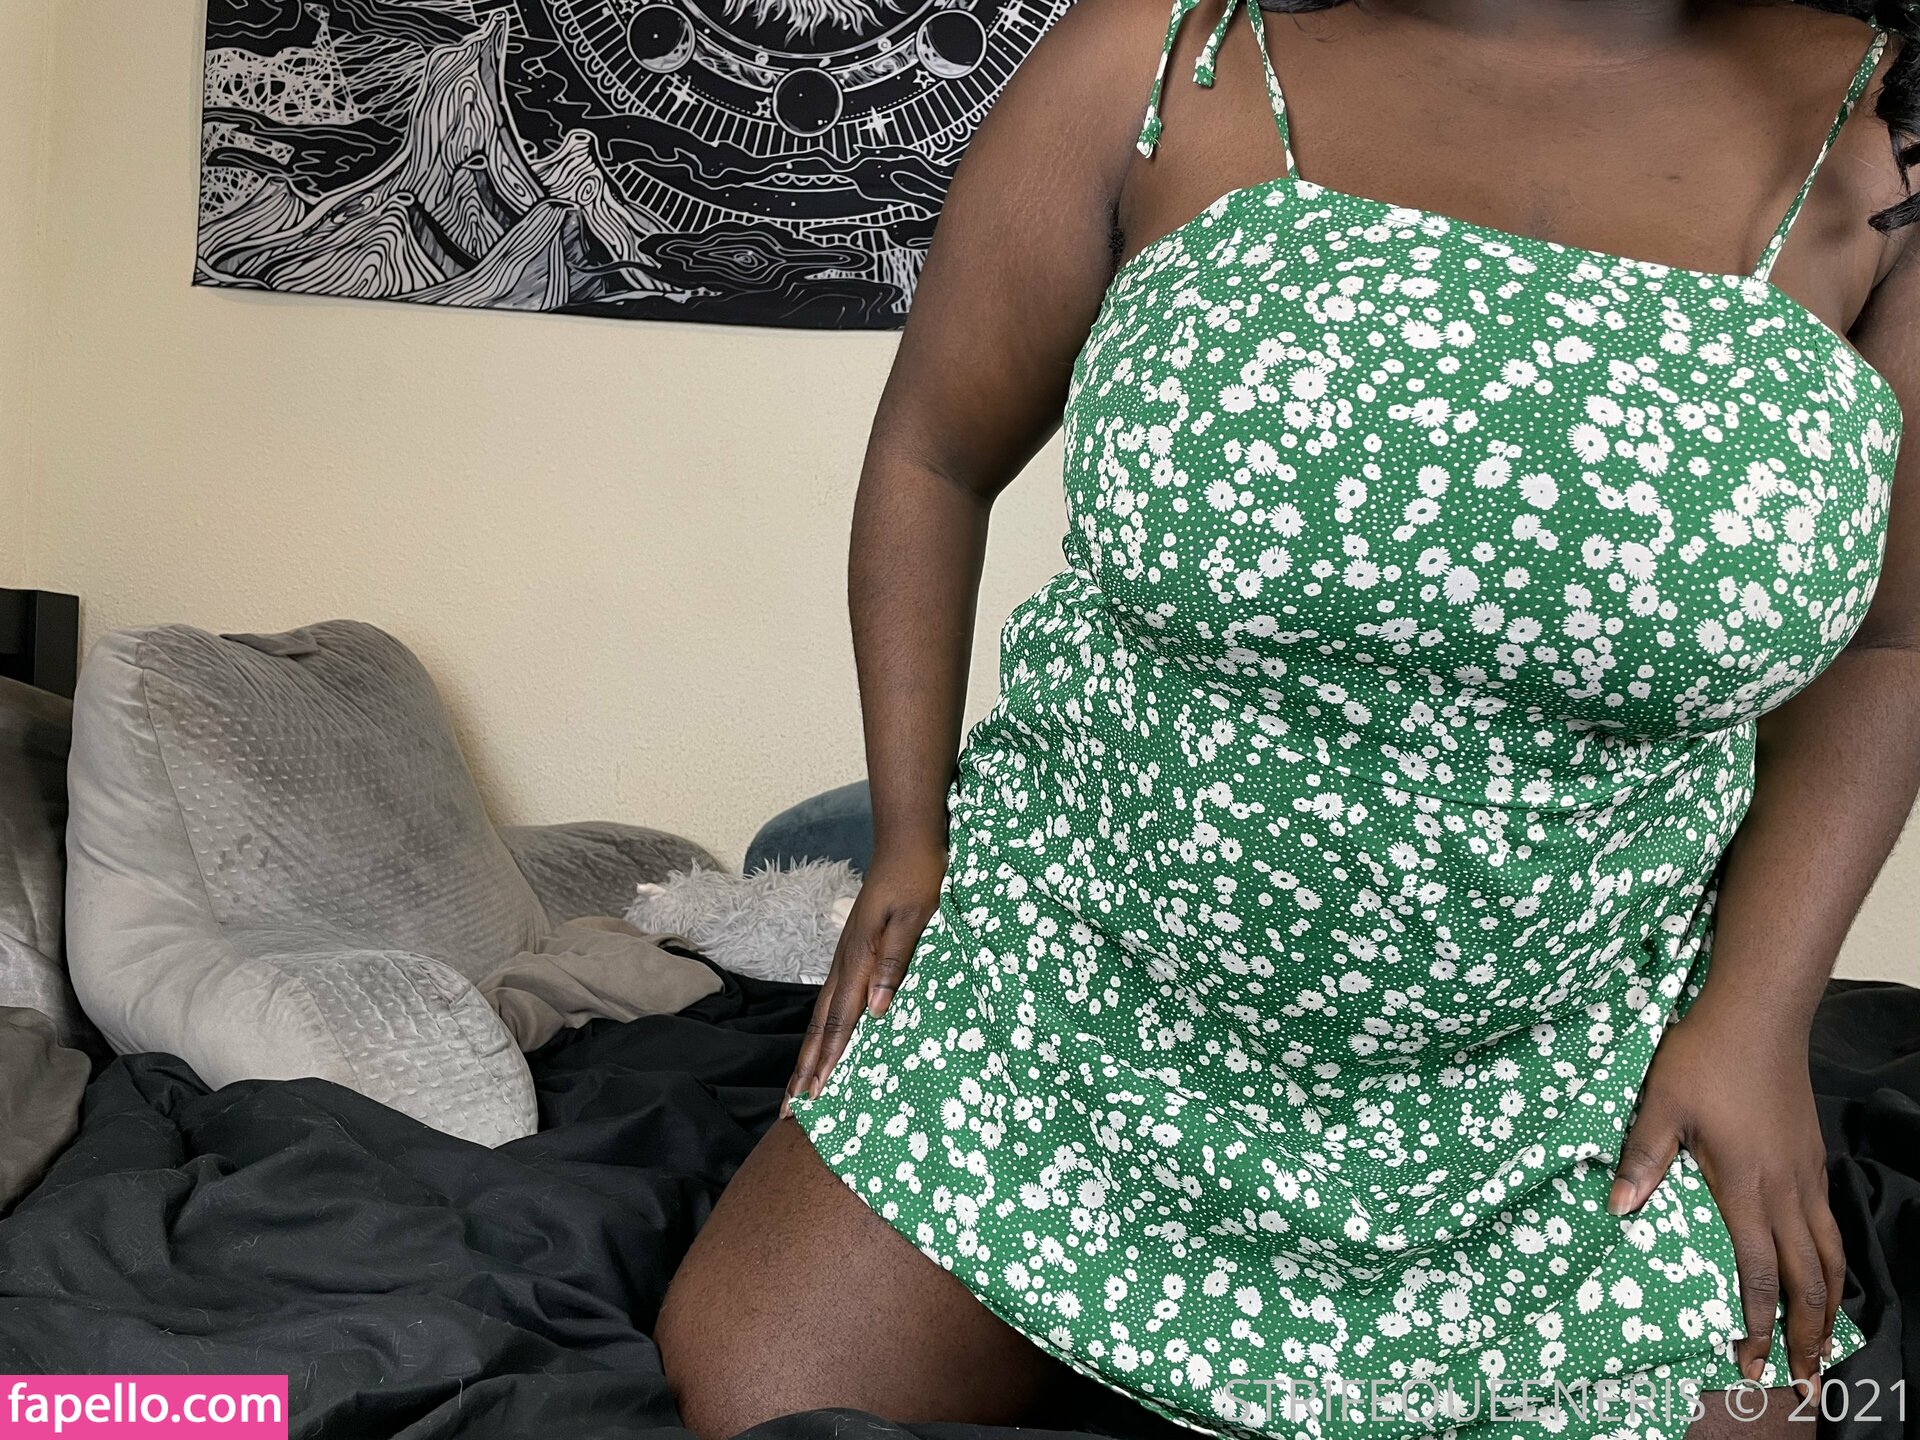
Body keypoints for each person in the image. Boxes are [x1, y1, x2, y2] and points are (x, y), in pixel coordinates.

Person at [655, 1, 1919, 1436]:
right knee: (756, 1395)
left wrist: (1757, 1021)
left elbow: (1891, 641)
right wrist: (908, 836)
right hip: (1076, 995)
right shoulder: (1159, 55)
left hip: (1564, 1084)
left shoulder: (1887, 144)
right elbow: (935, 453)